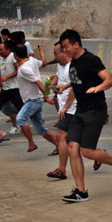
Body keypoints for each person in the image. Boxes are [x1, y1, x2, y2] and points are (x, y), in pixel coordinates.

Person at [58, 28, 112, 203]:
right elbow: (79, 81)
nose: (64, 50)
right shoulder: (74, 62)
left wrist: (98, 88)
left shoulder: (91, 60)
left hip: (95, 110)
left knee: (87, 151)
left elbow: (109, 80)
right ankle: (81, 191)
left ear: (76, 44)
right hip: (80, 110)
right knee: (72, 147)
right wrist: (65, 87)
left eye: (66, 46)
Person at [12, 44, 57, 153]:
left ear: (16, 55)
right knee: (40, 128)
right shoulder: (32, 60)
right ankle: (60, 146)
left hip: (33, 100)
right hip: (34, 99)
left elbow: (38, 82)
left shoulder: (24, 68)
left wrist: (47, 96)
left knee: (20, 118)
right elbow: (43, 63)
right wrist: (41, 51)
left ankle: (31, 143)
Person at [48, 42, 75, 180]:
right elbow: (58, 79)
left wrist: (65, 107)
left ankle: (61, 169)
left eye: (56, 53)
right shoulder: (60, 65)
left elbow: (74, 88)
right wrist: (52, 88)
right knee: (77, 141)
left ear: (64, 52)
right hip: (64, 107)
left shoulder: (72, 67)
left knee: (60, 135)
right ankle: (99, 155)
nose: (55, 56)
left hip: (73, 107)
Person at [0, 40, 23, 140]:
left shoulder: (12, 56)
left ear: (8, 49)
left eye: (1, 50)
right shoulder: (2, 59)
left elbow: (18, 70)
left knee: (21, 108)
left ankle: (35, 118)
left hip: (14, 88)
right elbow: (0, 72)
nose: (0, 52)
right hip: (5, 89)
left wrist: (7, 77)